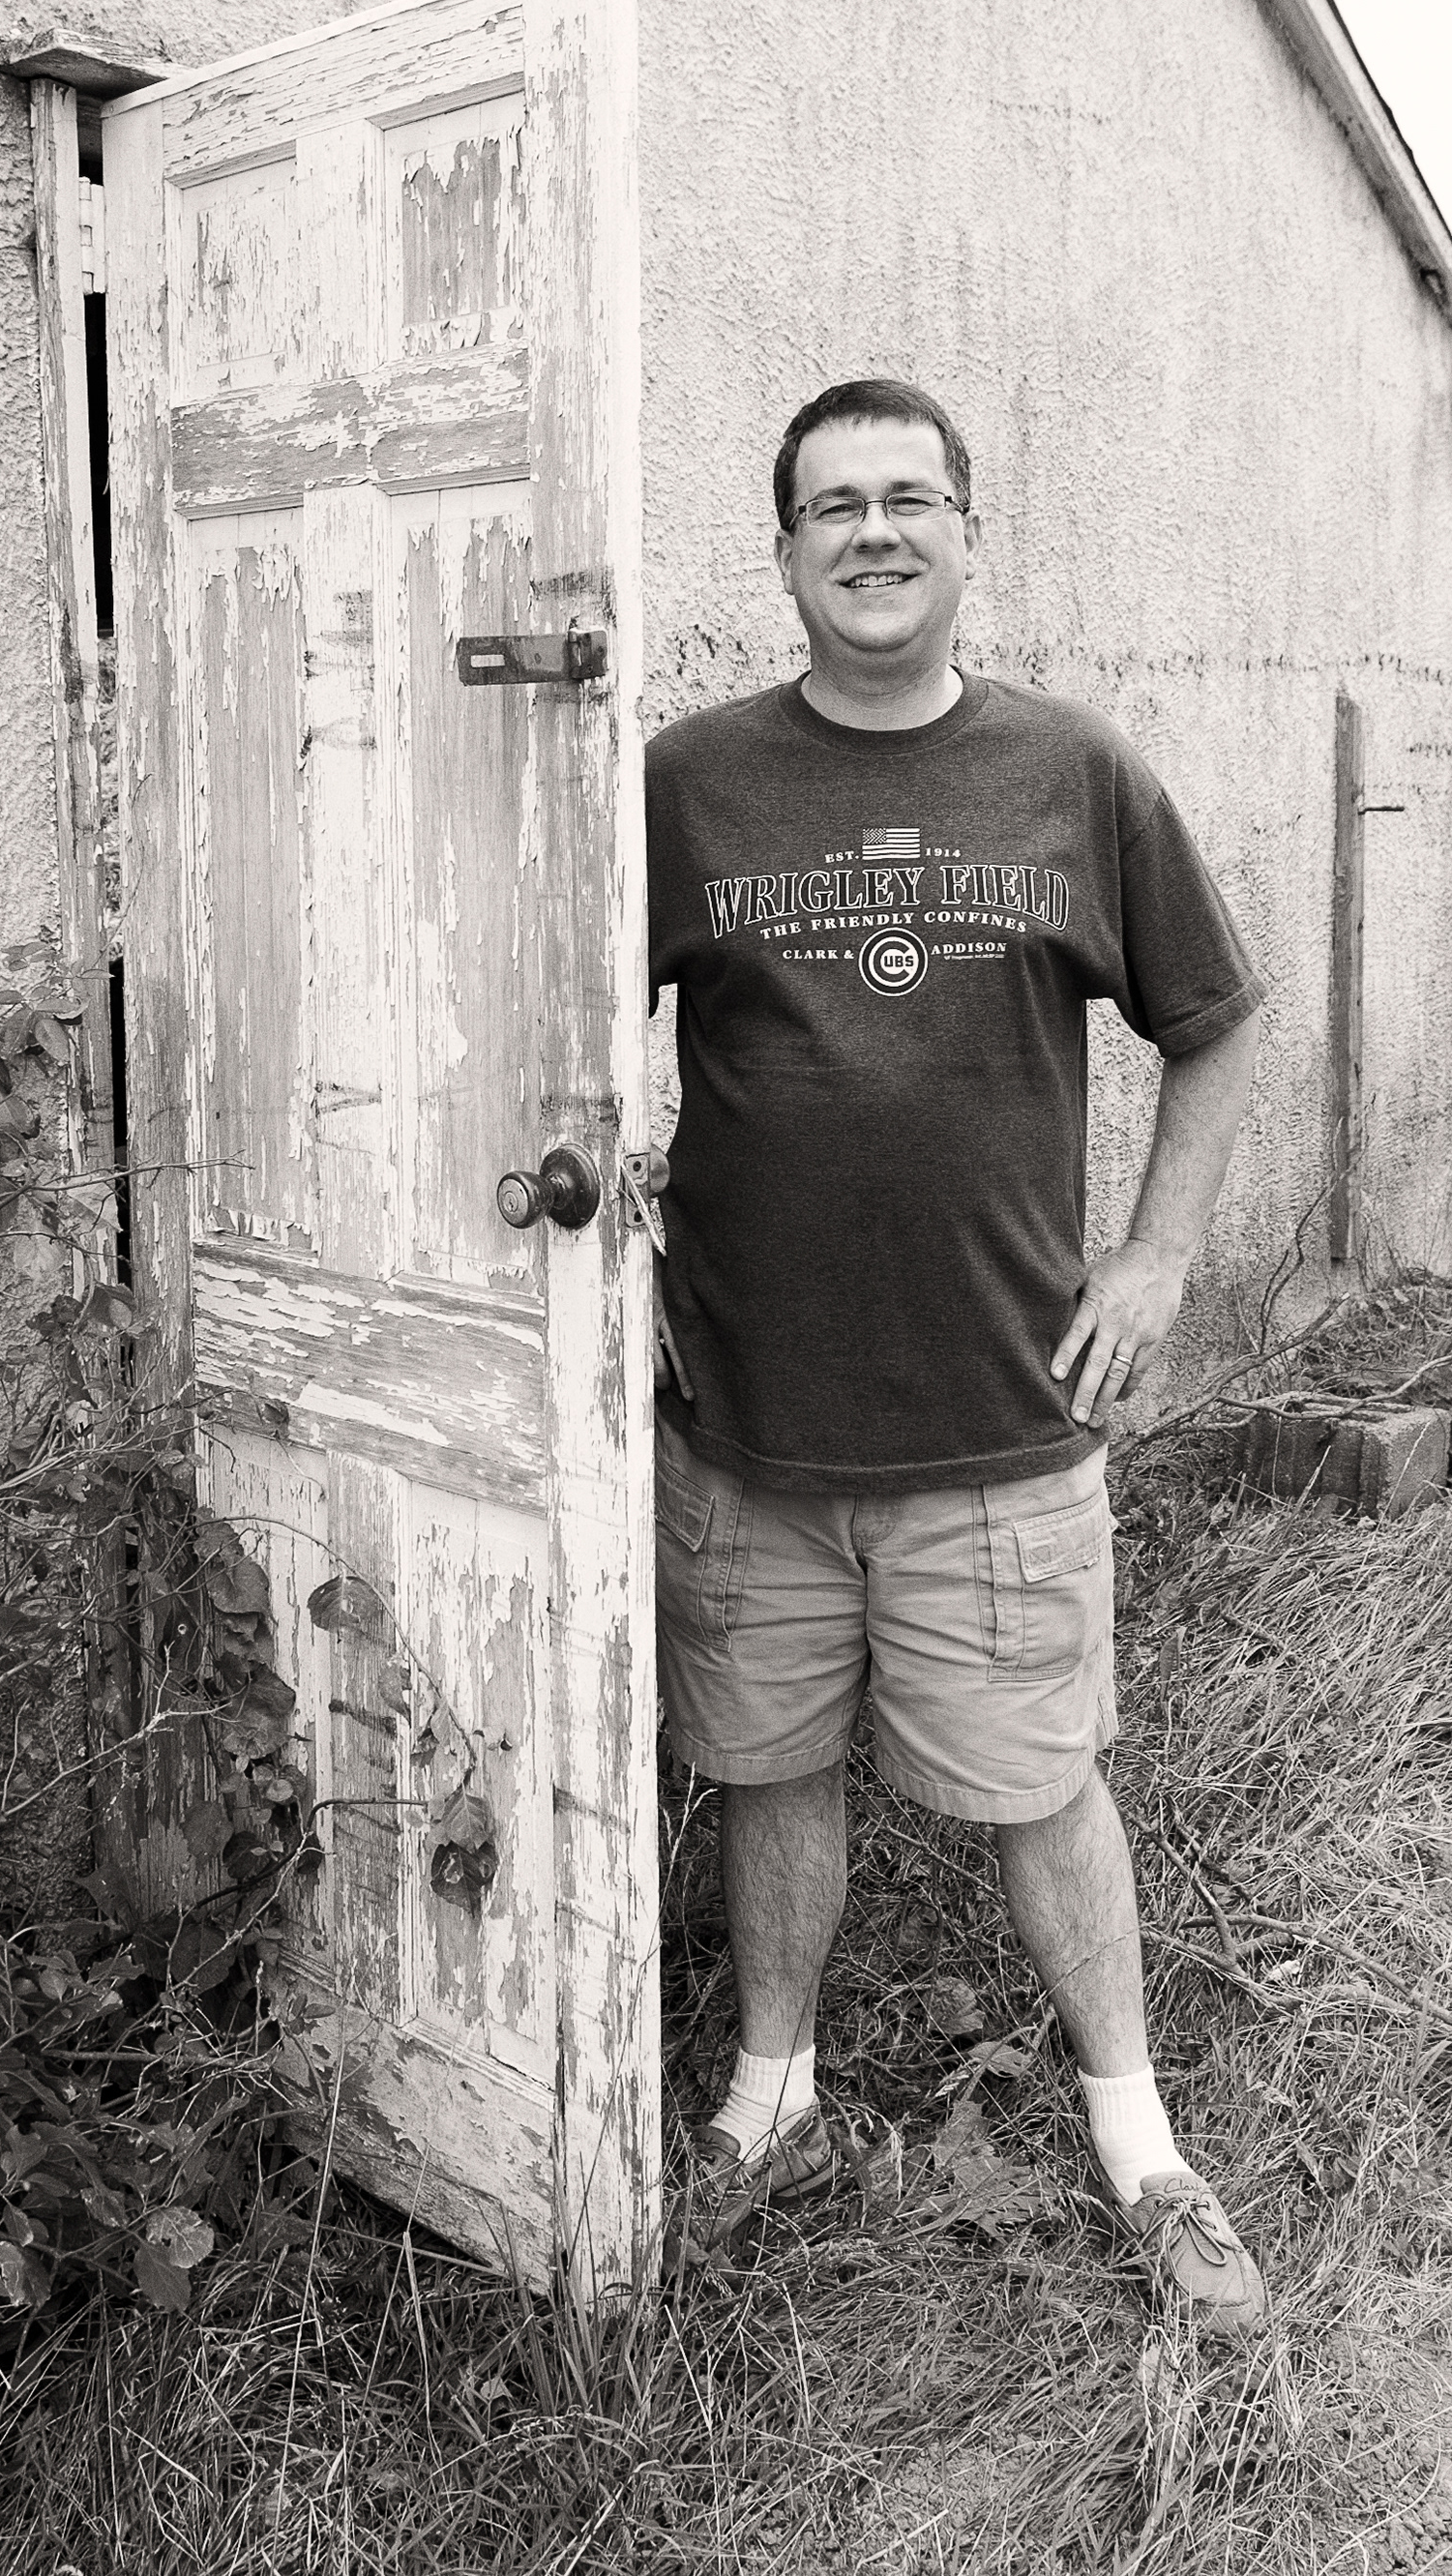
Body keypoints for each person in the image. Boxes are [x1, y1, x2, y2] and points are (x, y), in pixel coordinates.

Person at [645, 376, 1266, 2325]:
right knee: (769, 1768)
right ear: (783, 554)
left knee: (1042, 1783)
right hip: (747, 1420)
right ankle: (773, 2097)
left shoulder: (1073, 773)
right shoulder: (686, 785)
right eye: (833, 505)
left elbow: (1217, 1020)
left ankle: (1141, 2145)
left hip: (1003, 1416)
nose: (874, 532)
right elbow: (552, 1023)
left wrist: (1157, 1258)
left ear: (969, 535)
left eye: (909, 497)